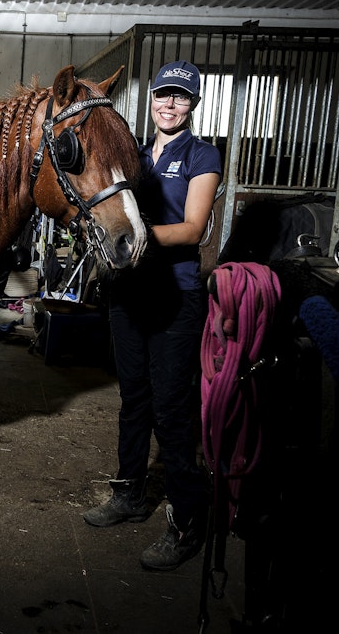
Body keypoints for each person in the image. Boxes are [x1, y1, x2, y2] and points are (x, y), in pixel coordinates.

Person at [82, 60, 222, 572]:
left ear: (193, 104)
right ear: (152, 99)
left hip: (175, 296)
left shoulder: (202, 155)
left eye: (180, 97)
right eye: (163, 94)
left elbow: (192, 230)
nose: (169, 104)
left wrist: (132, 237)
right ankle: (129, 494)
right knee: (133, 399)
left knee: (171, 408)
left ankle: (186, 521)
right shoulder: (134, 154)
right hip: (130, 294)